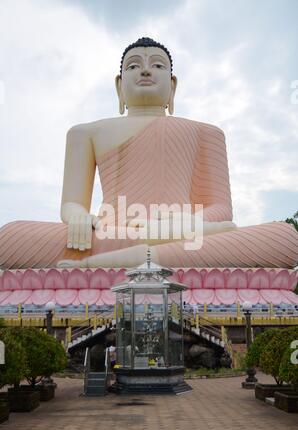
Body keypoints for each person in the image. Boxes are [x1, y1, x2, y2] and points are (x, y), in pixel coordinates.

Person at [0, 37, 297, 269]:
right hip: (112, 234)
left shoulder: (205, 132)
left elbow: (220, 211)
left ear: (172, 85)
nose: (144, 70)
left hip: (184, 230)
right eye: (132, 66)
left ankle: (99, 265)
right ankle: (145, 253)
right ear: (119, 86)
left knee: (284, 238)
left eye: (157, 65)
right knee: (10, 238)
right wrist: (78, 216)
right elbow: (71, 206)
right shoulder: (85, 132)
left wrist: (168, 227)